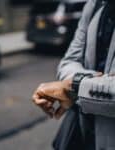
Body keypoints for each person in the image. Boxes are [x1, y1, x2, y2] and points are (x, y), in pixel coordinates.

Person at [32, 0, 115, 150]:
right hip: (86, 136)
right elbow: (68, 62)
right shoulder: (93, 5)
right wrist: (86, 86)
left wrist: (74, 87)